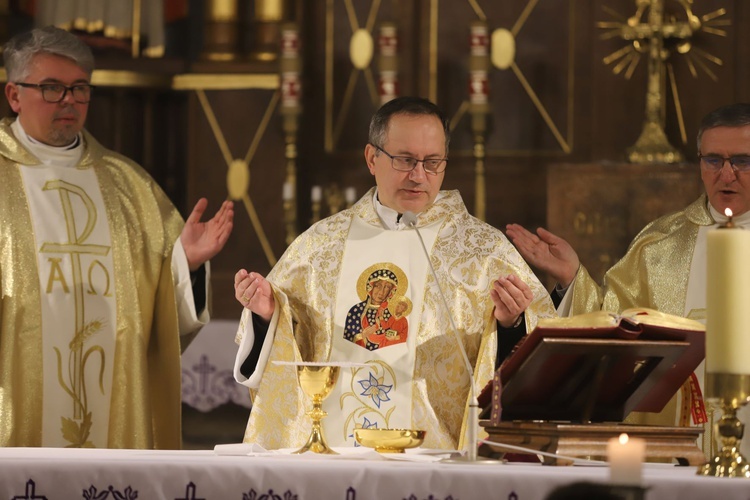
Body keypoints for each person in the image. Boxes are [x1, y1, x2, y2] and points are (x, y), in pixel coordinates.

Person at [232, 96, 556, 450]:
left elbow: (540, 366)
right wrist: (268, 315)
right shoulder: (318, 247)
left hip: (439, 453)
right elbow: (283, 365)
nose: (419, 176)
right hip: (332, 456)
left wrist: (509, 326)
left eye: (433, 162)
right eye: (405, 160)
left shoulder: (484, 251)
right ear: (372, 158)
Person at [0, 26, 234, 449]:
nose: (69, 100)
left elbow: (162, 315)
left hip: (112, 401)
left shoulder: (129, 186)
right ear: (14, 95)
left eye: (79, 88)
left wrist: (187, 265)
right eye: (52, 88)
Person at [505, 102, 750, 456]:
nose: (726, 174)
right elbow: (614, 327)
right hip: (679, 445)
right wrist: (574, 279)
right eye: (713, 160)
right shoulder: (660, 244)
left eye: (741, 161)